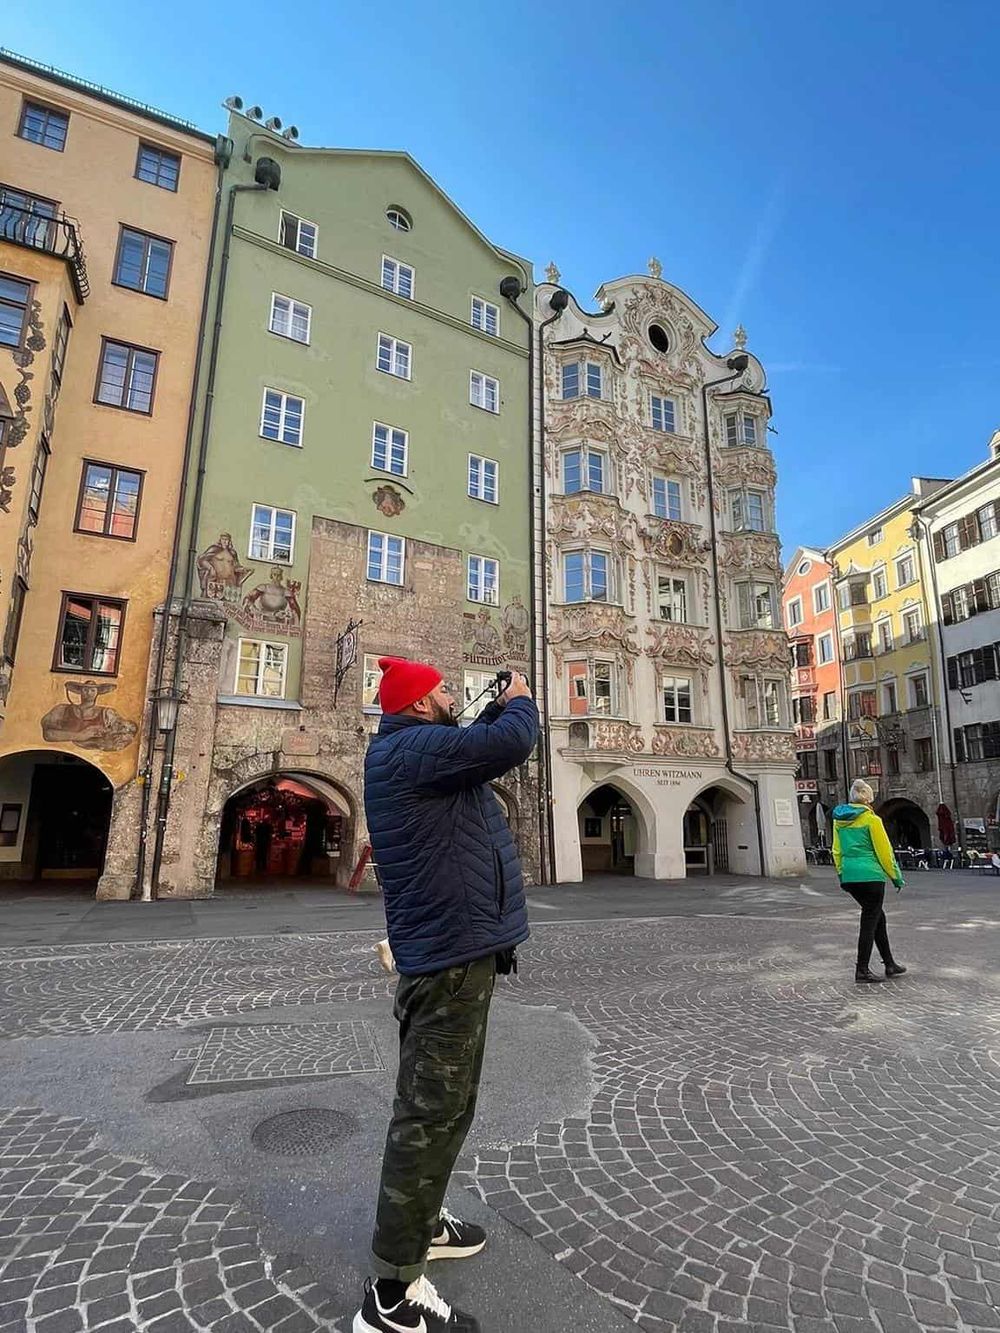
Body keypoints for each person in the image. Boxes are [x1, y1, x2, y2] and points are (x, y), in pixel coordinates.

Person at [354, 656, 538, 1333]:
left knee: (446, 1104)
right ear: (419, 704)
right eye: (441, 689)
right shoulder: (408, 752)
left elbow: (474, 742)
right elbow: (510, 741)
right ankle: (389, 1294)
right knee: (429, 1112)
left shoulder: (418, 751)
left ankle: (423, 1221)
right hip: (449, 959)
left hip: (457, 953)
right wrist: (519, 699)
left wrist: (491, 708)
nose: (450, 694)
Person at [832, 779, 907, 983]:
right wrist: (896, 876)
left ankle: (889, 963)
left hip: (849, 875)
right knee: (869, 921)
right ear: (868, 799)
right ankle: (862, 969)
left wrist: (842, 874)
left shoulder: (839, 820)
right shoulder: (872, 820)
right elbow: (884, 852)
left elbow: (836, 850)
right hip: (870, 875)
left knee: (877, 917)